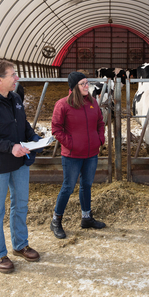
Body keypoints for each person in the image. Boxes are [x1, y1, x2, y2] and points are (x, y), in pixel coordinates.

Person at [0, 59, 42, 273]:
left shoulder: (15, 99)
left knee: (20, 204)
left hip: (19, 162)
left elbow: (23, 126)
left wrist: (34, 139)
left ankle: (20, 245)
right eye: (12, 74)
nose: (17, 78)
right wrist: (10, 147)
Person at [49, 71, 107, 239]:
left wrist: (99, 139)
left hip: (91, 154)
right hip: (72, 155)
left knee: (87, 185)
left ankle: (86, 217)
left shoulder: (93, 102)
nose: (86, 86)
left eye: (87, 83)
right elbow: (56, 129)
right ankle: (56, 221)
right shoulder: (63, 105)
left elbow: (100, 123)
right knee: (68, 187)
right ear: (74, 87)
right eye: (83, 84)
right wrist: (72, 144)